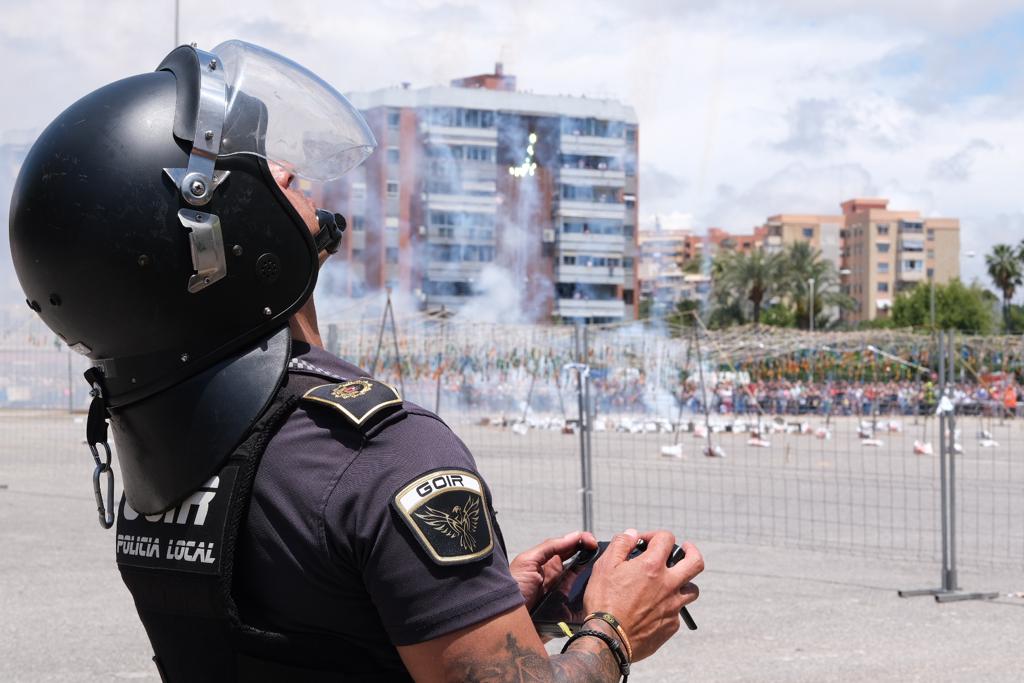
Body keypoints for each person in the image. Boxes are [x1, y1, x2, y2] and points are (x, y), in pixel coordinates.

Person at [9, 40, 702, 681]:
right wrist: (613, 627)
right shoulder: (380, 452)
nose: (287, 169)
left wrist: (468, 605)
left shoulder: (163, 456)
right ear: (214, 244)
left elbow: (309, 630)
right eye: (263, 171)